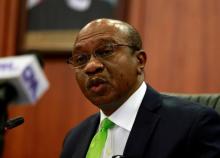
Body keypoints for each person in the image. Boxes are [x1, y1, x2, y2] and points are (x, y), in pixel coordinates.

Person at [60, 18, 220, 158]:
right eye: (80, 58)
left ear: (140, 61)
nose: (91, 66)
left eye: (106, 51)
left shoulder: (194, 126)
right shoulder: (75, 138)